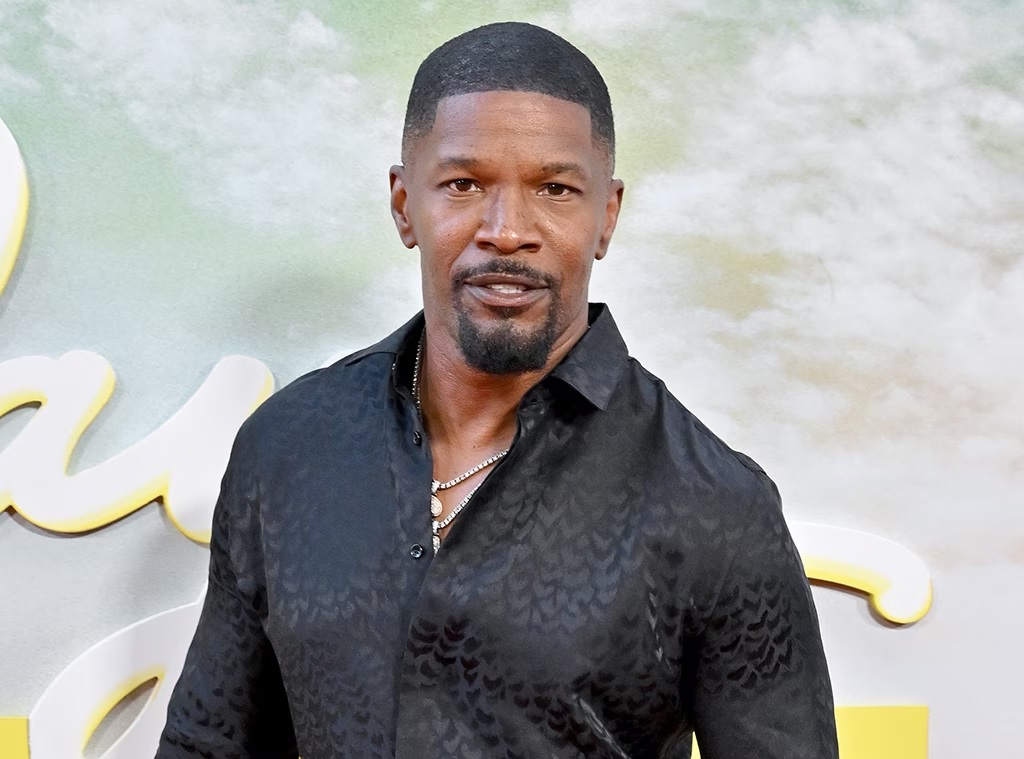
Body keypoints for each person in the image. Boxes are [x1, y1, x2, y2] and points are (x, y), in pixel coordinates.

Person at [156, 21, 838, 759]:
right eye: (464, 184)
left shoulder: (715, 505)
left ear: (606, 217)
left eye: (555, 189)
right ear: (403, 203)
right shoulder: (288, 446)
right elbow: (207, 744)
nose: (507, 230)